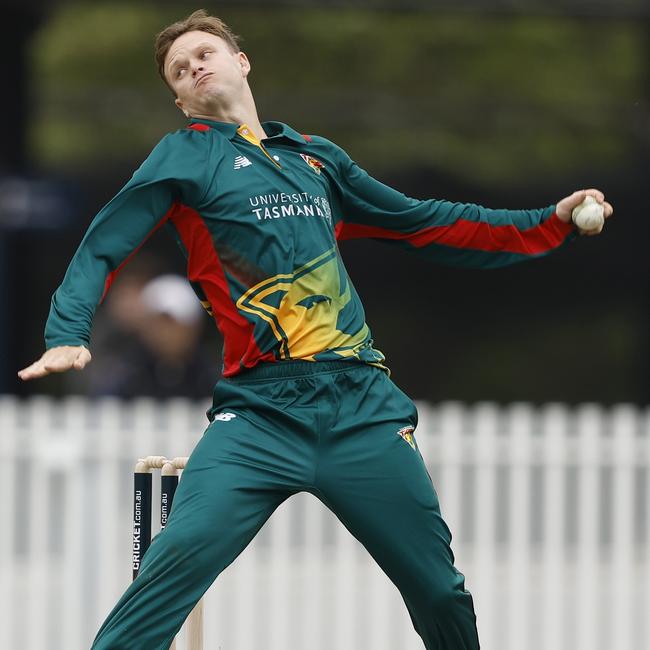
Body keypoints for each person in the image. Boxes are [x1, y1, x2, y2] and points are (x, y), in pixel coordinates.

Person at [18, 9, 613, 649]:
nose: (194, 66)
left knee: (441, 592)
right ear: (179, 98)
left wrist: (543, 224)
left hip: (361, 408)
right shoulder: (185, 155)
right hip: (259, 414)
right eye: (179, 69)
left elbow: (424, 222)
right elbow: (105, 244)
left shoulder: (315, 159)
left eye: (204, 53)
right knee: (171, 566)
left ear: (241, 62)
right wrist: (66, 330)